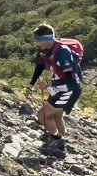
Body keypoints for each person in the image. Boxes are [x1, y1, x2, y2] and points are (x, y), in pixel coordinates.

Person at [27, 23, 83, 151]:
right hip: (59, 88)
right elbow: (40, 67)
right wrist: (30, 86)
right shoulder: (47, 50)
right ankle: (61, 140)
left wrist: (49, 84)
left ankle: (57, 140)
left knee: (42, 115)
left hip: (69, 90)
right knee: (56, 116)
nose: (37, 43)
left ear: (46, 39)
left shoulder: (62, 51)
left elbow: (69, 77)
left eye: (38, 40)